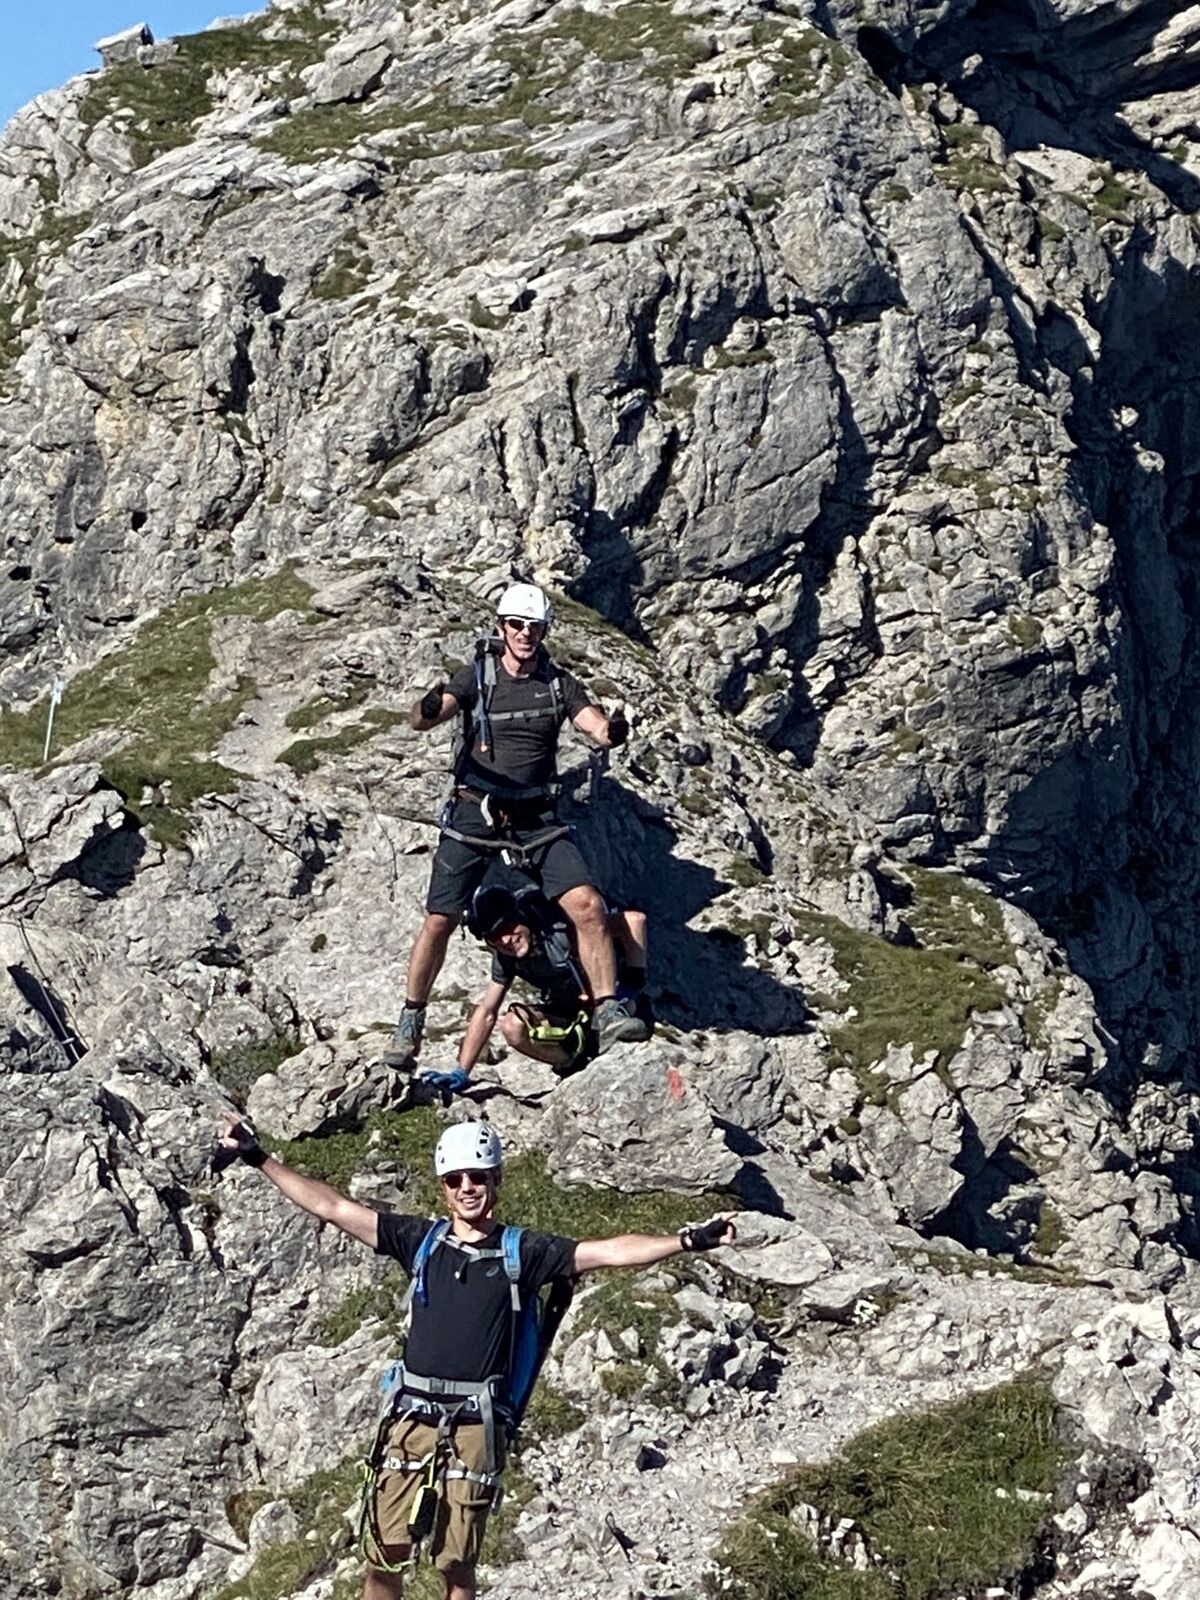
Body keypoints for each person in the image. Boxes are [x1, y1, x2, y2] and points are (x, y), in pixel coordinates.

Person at [216, 1118, 736, 1600]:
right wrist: (258, 1157)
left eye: (478, 1177)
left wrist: (687, 1240)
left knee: (456, 1562)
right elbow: (331, 1206)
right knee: (385, 1555)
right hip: (410, 1419)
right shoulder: (420, 1241)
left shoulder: (524, 1252)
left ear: (495, 1181)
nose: (467, 1188)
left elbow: (609, 1251)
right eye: (455, 1179)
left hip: (473, 1426)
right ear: (443, 1187)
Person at [387, 581, 646, 1071]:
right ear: (501, 628)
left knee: (588, 905)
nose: (526, 634)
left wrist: (612, 731)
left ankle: (608, 1009)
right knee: (440, 919)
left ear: (545, 631)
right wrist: (427, 709)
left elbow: (594, 726)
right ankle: (411, 1019)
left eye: (534, 627)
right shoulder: (477, 677)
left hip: (535, 817)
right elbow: (427, 717)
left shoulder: (558, 683)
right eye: (517, 625)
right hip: (475, 811)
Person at [420, 884, 652, 1096]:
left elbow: (635, 921)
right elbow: (487, 1011)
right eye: (494, 937)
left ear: (521, 917)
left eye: (508, 927)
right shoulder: (506, 958)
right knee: (512, 1025)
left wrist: (630, 987)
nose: (505, 940)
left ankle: (615, 1025)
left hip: (613, 1008)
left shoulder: (561, 930)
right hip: (571, 1014)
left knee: (627, 1007)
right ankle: (572, 1065)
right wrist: (461, 1072)